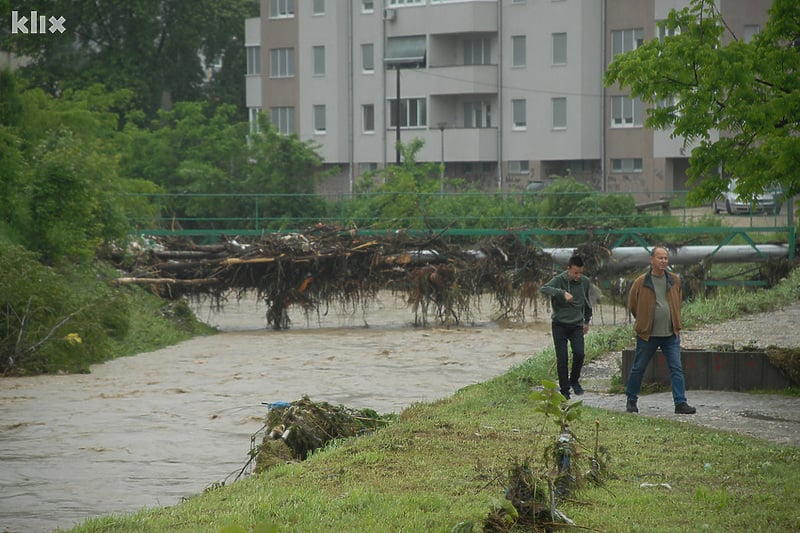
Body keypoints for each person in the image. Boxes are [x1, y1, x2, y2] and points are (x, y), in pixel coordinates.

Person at [625, 246, 696, 415]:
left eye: (665, 258)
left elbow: (678, 300)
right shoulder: (641, 282)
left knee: (676, 368)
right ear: (652, 260)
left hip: (670, 334)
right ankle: (631, 400)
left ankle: (680, 403)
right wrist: (643, 321)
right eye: (660, 258)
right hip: (648, 334)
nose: (663, 261)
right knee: (639, 368)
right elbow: (633, 304)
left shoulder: (674, 280)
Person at [541, 255, 593, 399]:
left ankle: (574, 381)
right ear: (568, 269)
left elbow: (587, 302)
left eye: (581, 272)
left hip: (576, 324)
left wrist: (586, 321)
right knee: (562, 358)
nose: (578, 276)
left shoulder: (585, 282)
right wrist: (561, 293)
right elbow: (544, 288)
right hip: (559, 325)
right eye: (575, 273)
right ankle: (565, 390)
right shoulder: (560, 279)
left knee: (579, 354)